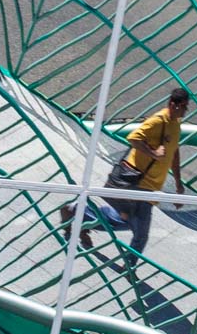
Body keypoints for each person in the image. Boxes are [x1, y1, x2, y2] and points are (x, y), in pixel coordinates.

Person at [61, 87, 189, 263]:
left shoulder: (176, 125)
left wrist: (178, 184)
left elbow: (174, 153)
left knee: (127, 222)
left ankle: (77, 211)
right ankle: (129, 268)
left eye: (186, 107)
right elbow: (133, 138)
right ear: (172, 104)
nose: (184, 110)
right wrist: (153, 153)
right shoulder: (158, 120)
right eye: (182, 106)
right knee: (141, 233)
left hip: (150, 187)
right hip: (140, 183)